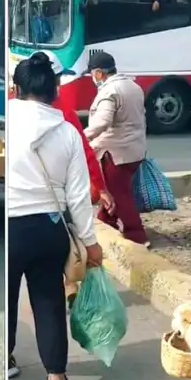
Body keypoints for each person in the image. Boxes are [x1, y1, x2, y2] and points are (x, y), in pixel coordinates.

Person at [7, 52, 104, 380]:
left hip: (9, 226)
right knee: (48, 301)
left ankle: (6, 359)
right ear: (56, 88)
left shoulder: (5, 122)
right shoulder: (66, 131)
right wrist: (91, 243)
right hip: (49, 228)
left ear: (15, 88)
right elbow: (78, 197)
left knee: (7, 297)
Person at [83, 51, 149, 246]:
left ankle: (137, 235)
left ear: (99, 73)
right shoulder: (133, 86)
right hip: (134, 150)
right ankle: (107, 224)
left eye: (93, 74)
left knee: (119, 194)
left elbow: (102, 122)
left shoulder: (109, 92)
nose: (92, 78)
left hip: (115, 152)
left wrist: (81, 137)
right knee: (114, 190)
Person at [38, 50, 113, 213]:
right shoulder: (64, 111)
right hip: (55, 195)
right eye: (59, 79)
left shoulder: (13, 105)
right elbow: (85, 151)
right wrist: (100, 188)